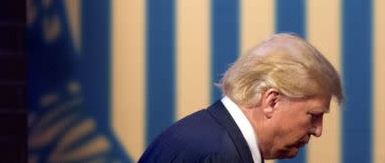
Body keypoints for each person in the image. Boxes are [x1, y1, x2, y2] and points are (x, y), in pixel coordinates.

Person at [138, 33, 344, 162]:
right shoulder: (220, 156)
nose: (318, 130)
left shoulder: (210, 138)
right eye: (314, 115)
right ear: (272, 101)